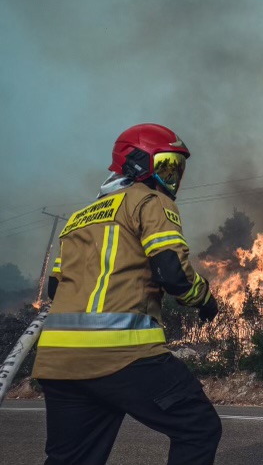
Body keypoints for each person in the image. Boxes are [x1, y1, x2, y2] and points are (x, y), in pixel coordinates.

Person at [32, 123, 222, 465]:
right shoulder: (150, 201)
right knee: (199, 427)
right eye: (165, 166)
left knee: (73, 459)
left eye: (176, 170)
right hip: (121, 353)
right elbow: (173, 273)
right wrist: (205, 299)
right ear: (137, 164)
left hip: (58, 361)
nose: (172, 178)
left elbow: (55, 288)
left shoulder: (78, 219)